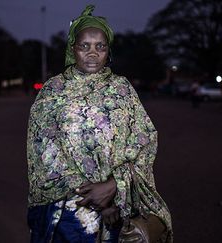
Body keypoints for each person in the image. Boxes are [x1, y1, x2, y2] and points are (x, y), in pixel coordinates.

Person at [26, 5, 172, 242]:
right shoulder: (53, 91)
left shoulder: (122, 89)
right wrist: (96, 199)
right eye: (84, 46)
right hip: (68, 213)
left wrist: (115, 187)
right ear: (73, 49)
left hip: (119, 208)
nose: (92, 53)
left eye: (100, 47)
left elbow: (145, 140)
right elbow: (44, 151)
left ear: (108, 51)